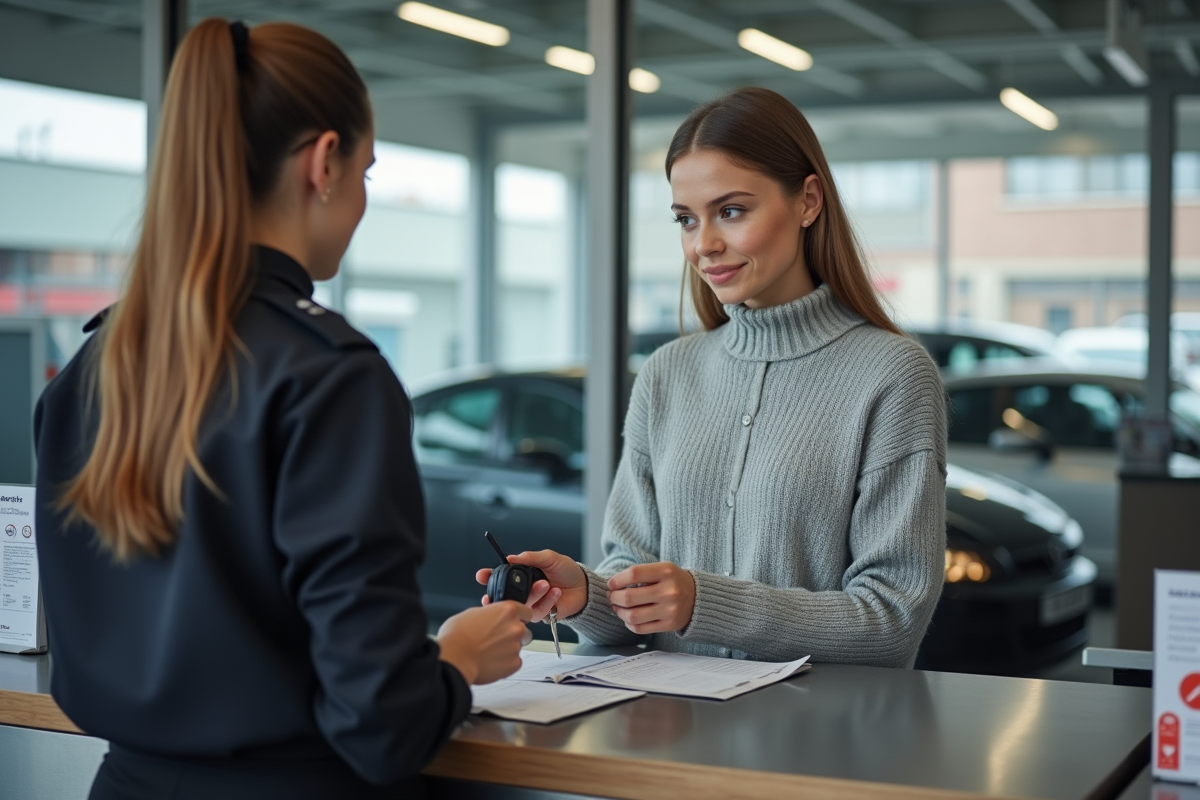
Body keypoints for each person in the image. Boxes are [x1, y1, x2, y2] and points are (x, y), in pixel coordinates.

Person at [34, 19, 537, 800]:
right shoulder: (330, 376)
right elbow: (382, 726)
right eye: (367, 172)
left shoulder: (92, 367)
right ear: (323, 162)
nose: (365, 199)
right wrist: (459, 659)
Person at [479, 87, 946, 668]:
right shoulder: (666, 374)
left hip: (820, 743)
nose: (704, 245)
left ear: (808, 200)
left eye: (731, 211)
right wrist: (585, 596)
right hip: (674, 734)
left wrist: (704, 601)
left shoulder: (893, 376)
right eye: (686, 219)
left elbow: (891, 621)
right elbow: (634, 582)